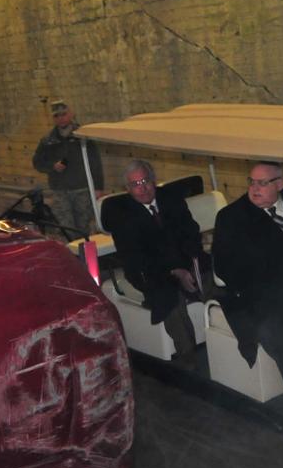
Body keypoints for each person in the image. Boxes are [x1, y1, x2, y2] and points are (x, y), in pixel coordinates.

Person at [212, 161, 283, 383]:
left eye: (262, 183)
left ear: (279, 184)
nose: (254, 188)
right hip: (263, 294)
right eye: (251, 182)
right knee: (267, 329)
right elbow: (225, 266)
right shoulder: (231, 217)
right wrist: (262, 288)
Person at [102, 160, 210, 362]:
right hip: (149, 270)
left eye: (145, 181)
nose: (142, 188)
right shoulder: (122, 215)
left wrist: (188, 266)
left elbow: (191, 231)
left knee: (216, 277)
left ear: (154, 181)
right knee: (169, 296)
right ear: (128, 189)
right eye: (135, 184)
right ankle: (188, 357)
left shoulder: (170, 199)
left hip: (185, 260)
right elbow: (136, 255)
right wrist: (175, 271)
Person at [31, 100, 103, 238]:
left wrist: (98, 188)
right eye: (56, 116)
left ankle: (86, 256)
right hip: (60, 191)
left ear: (71, 114)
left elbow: (95, 163)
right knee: (65, 228)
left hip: (82, 189)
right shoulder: (48, 140)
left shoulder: (83, 136)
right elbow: (37, 162)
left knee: (84, 226)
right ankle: (72, 255)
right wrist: (52, 166)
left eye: (63, 114)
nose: (61, 118)